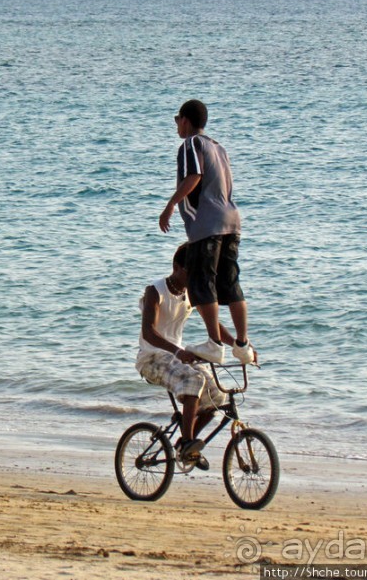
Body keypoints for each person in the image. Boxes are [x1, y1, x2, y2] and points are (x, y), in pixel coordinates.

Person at [136, 244, 255, 468]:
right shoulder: (155, 291)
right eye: (189, 272)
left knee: (217, 397)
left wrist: (240, 345)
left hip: (175, 357)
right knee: (194, 380)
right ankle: (190, 441)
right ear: (176, 267)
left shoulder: (191, 293)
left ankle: (184, 443)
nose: (194, 277)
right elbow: (148, 333)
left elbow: (214, 325)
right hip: (151, 358)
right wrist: (177, 351)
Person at [158, 99, 254, 365]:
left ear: (186, 120)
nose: (177, 125)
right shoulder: (218, 147)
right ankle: (243, 345)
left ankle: (214, 343)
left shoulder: (191, 144)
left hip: (207, 224)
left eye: (177, 120)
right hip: (231, 221)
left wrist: (170, 205)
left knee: (202, 285)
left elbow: (194, 177)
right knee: (231, 284)